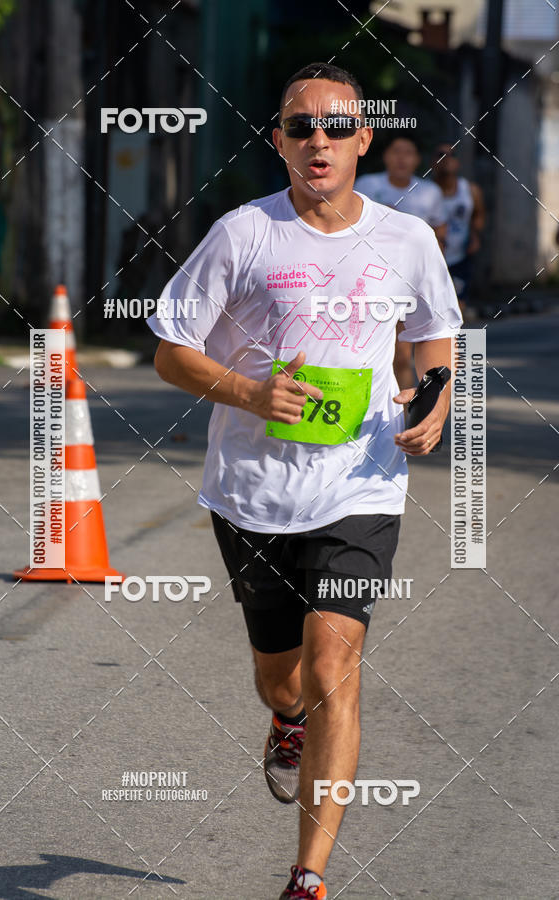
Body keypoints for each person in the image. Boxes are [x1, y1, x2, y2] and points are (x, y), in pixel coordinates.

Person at [148, 62, 461, 900]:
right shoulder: (243, 233)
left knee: (334, 669)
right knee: (282, 679)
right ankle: (284, 722)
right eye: (298, 127)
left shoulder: (408, 239)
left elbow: (435, 337)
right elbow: (170, 349)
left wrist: (436, 397)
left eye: (333, 127)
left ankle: (308, 877)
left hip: (360, 485)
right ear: (279, 141)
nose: (316, 140)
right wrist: (249, 391)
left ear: (364, 139)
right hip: (252, 491)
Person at [355, 134, 447, 391]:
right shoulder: (366, 185)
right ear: (385, 156)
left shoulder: (430, 192)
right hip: (371, 279)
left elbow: (440, 235)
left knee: (402, 357)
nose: (401, 158)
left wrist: (435, 278)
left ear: (417, 159)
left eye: (408, 153)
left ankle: (405, 420)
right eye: (396, 151)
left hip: (409, 283)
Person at [431, 142, 485, 319]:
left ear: (458, 163)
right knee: (432, 311)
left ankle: (467, 347)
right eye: (441, 154)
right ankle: (440, 347)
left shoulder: (470, 190)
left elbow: (478, 215)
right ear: (433, 162)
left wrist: (475, 236)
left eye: (451, 155)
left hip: (459, 258)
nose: (446, 159)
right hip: (432, 260)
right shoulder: (424, 192)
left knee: (459, 309)